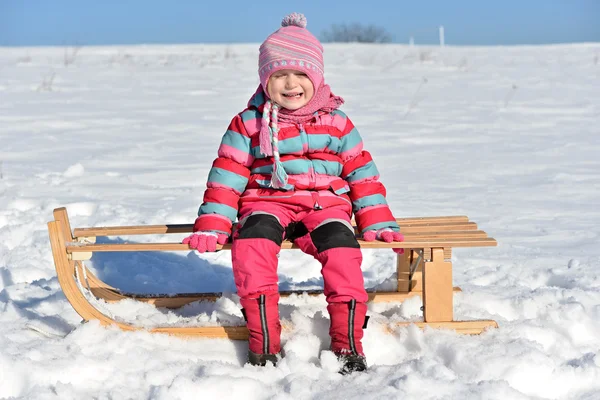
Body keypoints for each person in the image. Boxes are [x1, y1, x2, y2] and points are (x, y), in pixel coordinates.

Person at [183, 12, 403, 374]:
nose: (290, 84)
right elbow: (227, 175)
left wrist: (376, 220)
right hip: (267, 202)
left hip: (325, 206)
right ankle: (264, 346)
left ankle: (348, 346)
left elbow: (362, 173)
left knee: (343, 254)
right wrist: (214, 223)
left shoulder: (337, 121)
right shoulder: (250, 122)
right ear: (265, 80)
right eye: (279, 75)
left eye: (300, 74)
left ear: (316, 77)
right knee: (252, 247)